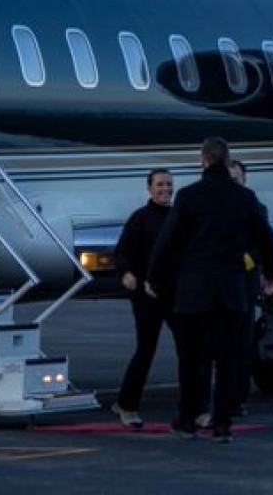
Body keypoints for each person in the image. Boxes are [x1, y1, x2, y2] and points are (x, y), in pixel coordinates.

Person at [147, 138, 273, 443]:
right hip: (231, 291)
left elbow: (167, 239)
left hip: (194, 292)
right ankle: (221, 424)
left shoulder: (188, 196)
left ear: (203, 160)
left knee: (192, 359)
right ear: (227, 161)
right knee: (229, 359)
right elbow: (267, 237)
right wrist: (271, 273)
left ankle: (187, 419)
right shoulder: (244, 197)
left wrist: (153, 275)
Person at [111, 168, 175, 429]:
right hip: (146, 295)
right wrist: (126, 273)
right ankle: (126, 405)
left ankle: (197, 408)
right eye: (160, 185)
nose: (165, 189)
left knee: (191, 350)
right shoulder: (140, 218)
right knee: (146, 350)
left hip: (174, 293)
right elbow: (122, 251)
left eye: (169, 184)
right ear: (149, 188)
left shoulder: (178, 217)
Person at [228, 158, 263, 415]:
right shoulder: (211, 207)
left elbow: (263, 242)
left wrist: (245, 261)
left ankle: (238, 400)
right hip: (217, 288)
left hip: (243, 287)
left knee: (242, 347)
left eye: (236, 179)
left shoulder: (254, 206)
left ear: (244, 180)